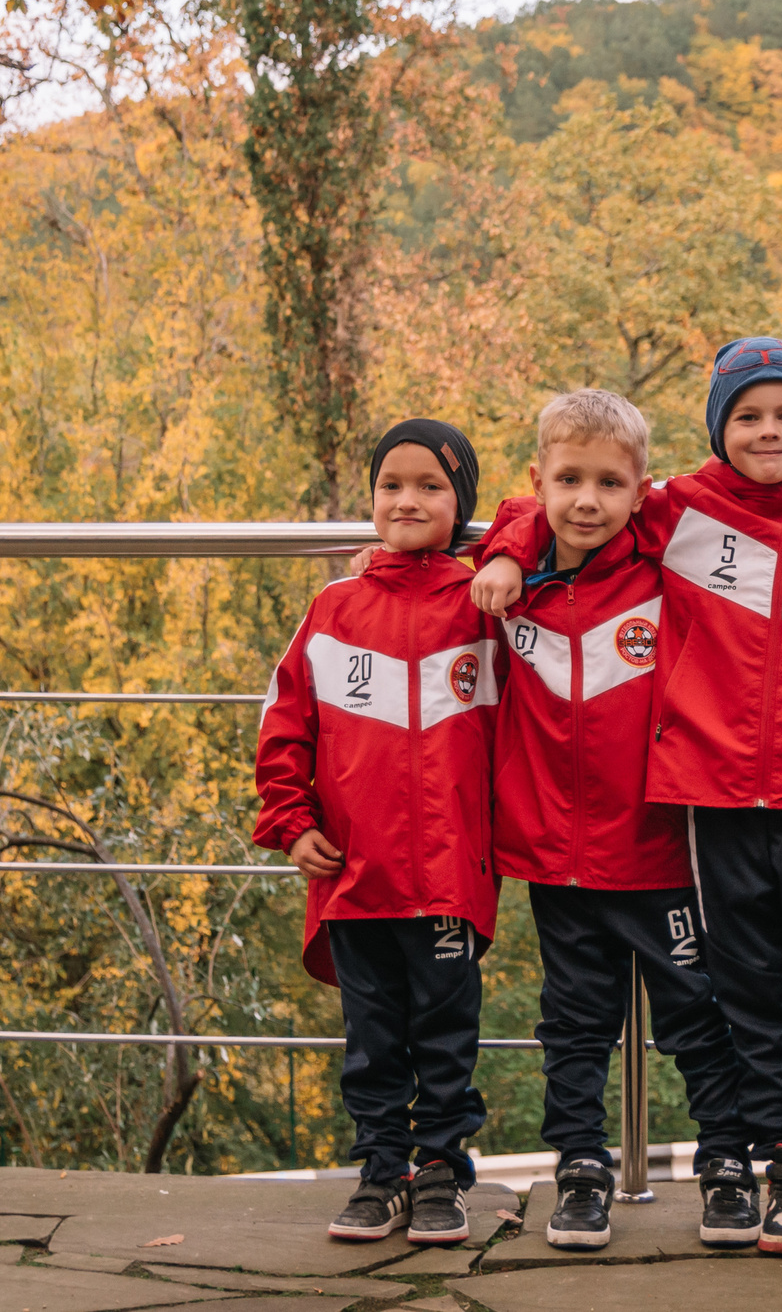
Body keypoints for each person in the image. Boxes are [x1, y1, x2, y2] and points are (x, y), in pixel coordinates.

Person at [470, 338, 782, 1258]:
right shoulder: (681, 512)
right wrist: (506, 550)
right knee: (740, 997)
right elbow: (547, 499)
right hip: (702, 806)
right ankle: (760, 1163)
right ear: (717, 429)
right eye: (748, 415)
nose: (769, 431)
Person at [482, 388, 757, 1251]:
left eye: (610, 482)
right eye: (568, 480)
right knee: (572, 1022)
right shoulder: (515, 586)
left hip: (659, 849)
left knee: (696, 1015)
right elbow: (513, 516)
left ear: (643, 490)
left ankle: (726, 1167)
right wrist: (507, 546)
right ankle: (581, 1171)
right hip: (555, 855)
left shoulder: (664, 568)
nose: (587, 500)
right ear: (539, 482)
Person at [253, 419, 500, 1248]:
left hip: (448, 877)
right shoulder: (334, 607)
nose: (407, 499)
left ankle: (439, 1171)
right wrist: (290, 823)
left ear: (459, 502)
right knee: (371, 1041)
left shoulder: (484, 605)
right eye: (391, 483)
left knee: (445, 1032)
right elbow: (285, 723)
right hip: (354, 873)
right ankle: (379, 1168)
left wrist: (499, 555)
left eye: (431, 486)